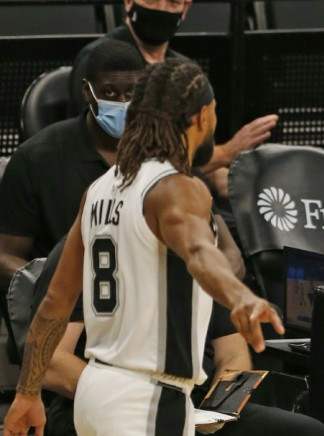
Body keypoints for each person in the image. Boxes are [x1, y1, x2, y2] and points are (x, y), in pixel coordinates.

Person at [2, 58, 284, 435]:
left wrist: (26, 393)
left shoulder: (100, 190)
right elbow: (200, 253)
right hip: (146, 399)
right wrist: (241, 297)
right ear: (202, 117)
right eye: (215, 112)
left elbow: (54, 304)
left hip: (94, 394)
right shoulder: (179, 187)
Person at [28, 236, 324, 436]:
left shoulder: (198, 250)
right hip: (104, 405)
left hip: (196, 404)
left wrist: (220, 409)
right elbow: (52, 363)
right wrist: (142, 403)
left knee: (305, 432)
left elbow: (231, 351)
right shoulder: (91, 246)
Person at [0, 40, 147, 363]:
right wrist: (71, 287)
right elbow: (6, 256)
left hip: (147, 317)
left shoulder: (159, 151)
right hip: (72, 324)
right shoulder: (36, 158)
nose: (122, 103)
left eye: (132, 94)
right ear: (86, 91)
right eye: (109, 93)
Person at [68, 0, 278, 175]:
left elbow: (197, 161)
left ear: (185, 8)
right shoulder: (103, 64)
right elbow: (122, 161)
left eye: (172, 2)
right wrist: (225, 153)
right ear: (129, 2)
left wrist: (243, 184)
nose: (161, 8)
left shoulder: (185, 72)